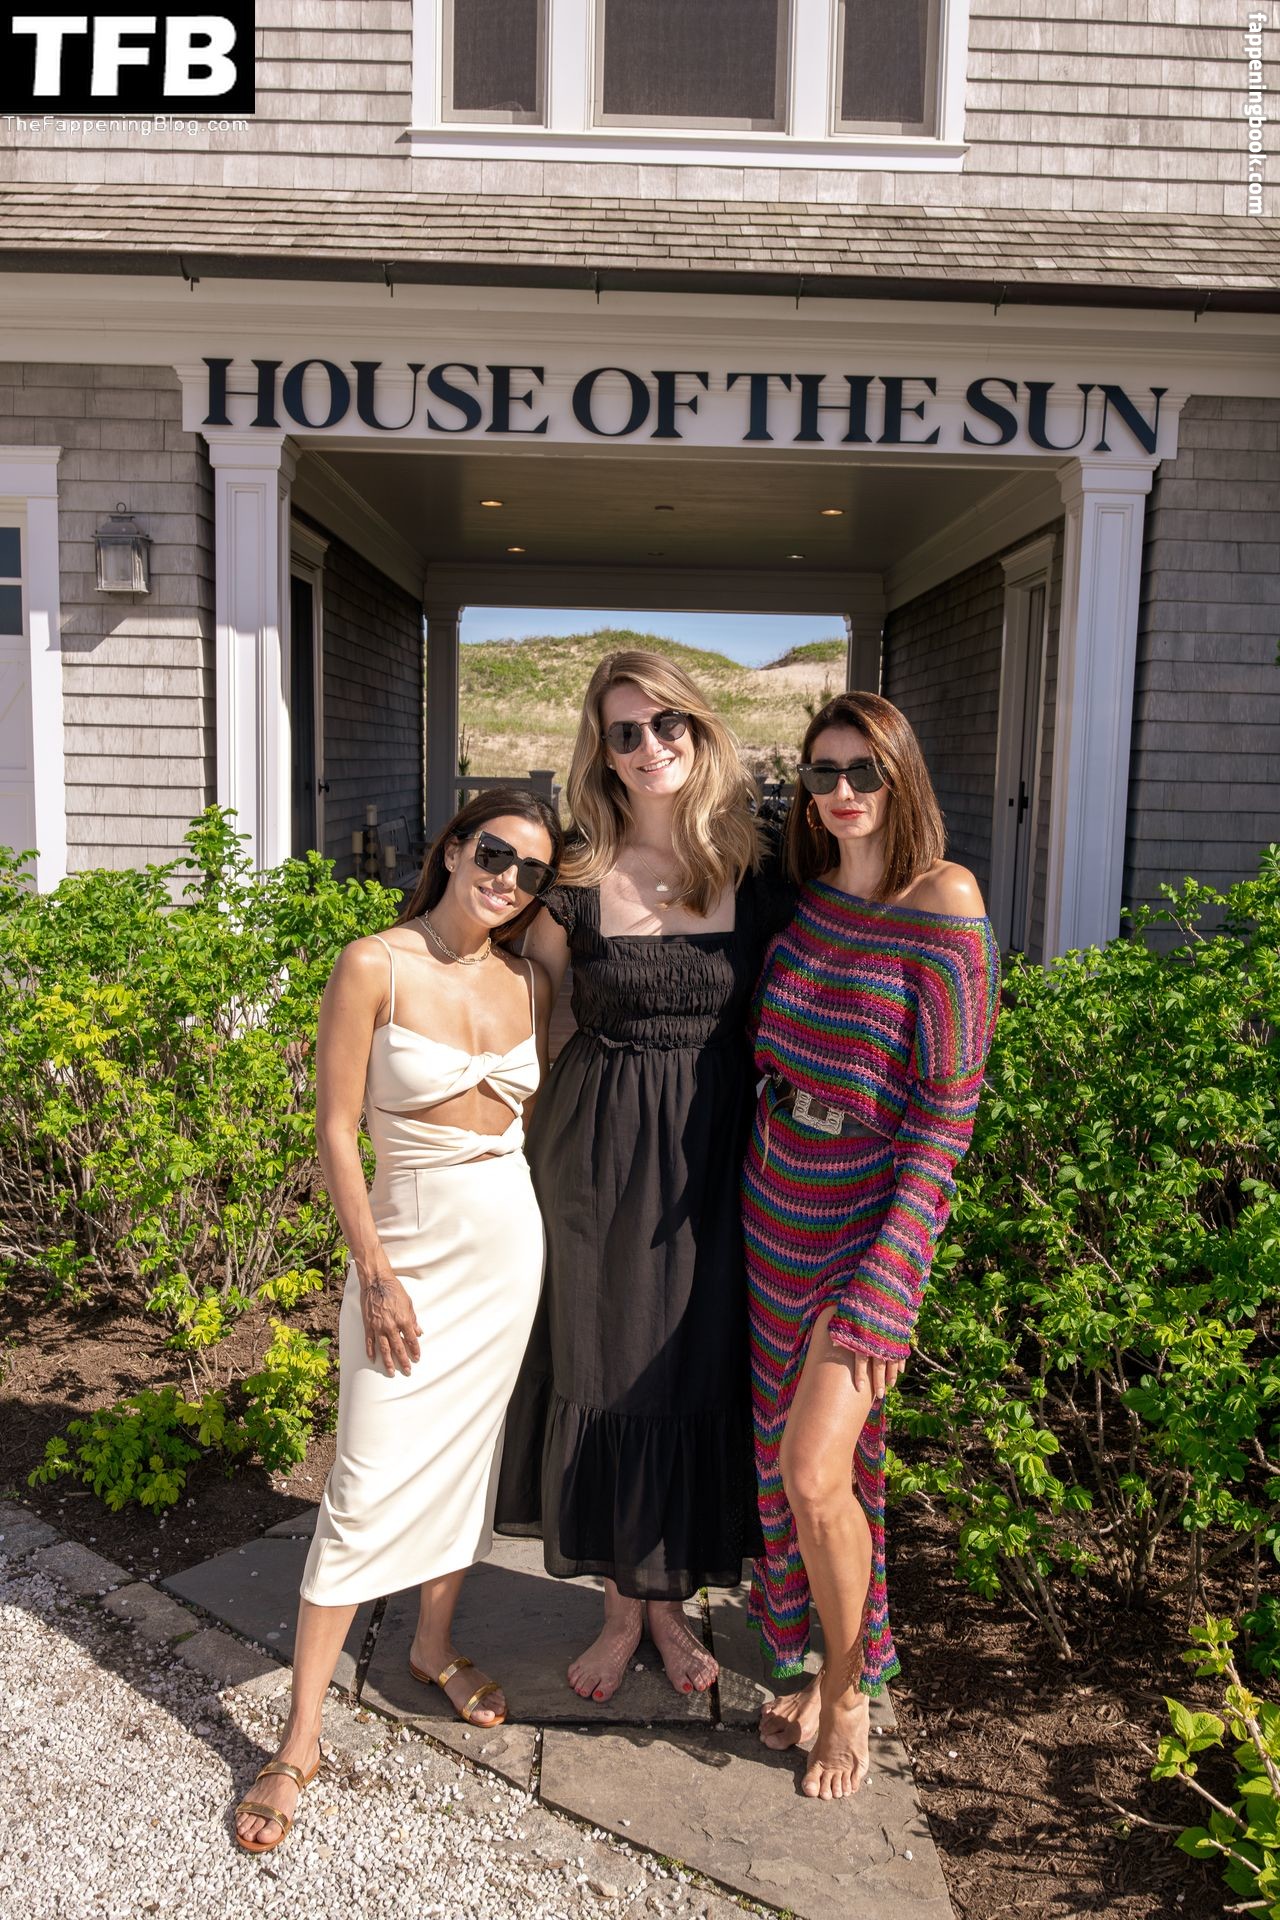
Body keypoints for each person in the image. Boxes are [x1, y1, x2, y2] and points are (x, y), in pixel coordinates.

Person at [234, 790, 562, 1854]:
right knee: (364, 1479)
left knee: (467, 1459)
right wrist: (373, 1271)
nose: (508, 879)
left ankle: (429, 1645)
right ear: (455, 847)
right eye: (495, 853)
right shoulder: (372, 962)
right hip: (406, 1248)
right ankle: (298, 1740)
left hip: (505, 1246)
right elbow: (335, 1129)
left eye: (532, 872)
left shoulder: (531, 979)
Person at [496, 649, 790, 1703]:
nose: (649, 745)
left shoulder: (759, 868)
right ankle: (626, 1611)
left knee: (693, 1369)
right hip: (595, 1152)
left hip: (717, 1157)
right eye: (625, 732)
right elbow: (518, 1007)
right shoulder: (574, 878)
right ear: (603, 752)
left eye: (668, 723)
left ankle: (670, 1604)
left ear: (699, 731)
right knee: (606, 1360)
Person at [741, 692, 999, 1801]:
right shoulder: (807, 903)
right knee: (793, 1473)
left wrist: (892, 1282)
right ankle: (821, 1664)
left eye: (863, 772)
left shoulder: (944, 902)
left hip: (864, 1225)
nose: (841, 792)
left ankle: (847, 1697)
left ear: (900, 778)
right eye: (822, 773)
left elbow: (946, 1120)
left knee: (816, 1472)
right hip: (772, 1208)